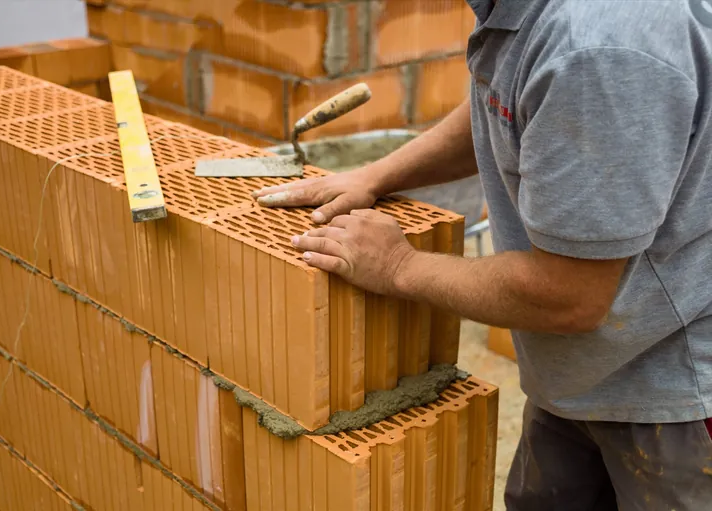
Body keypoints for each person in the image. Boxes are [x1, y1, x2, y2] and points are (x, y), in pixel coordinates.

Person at [251, 0, 712, 509]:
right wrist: (377, 175)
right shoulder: (524, 15)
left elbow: (569, 297)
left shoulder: (597, 48)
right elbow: (511, 102)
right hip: (584, 370)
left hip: (673, 392)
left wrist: (399, 266)